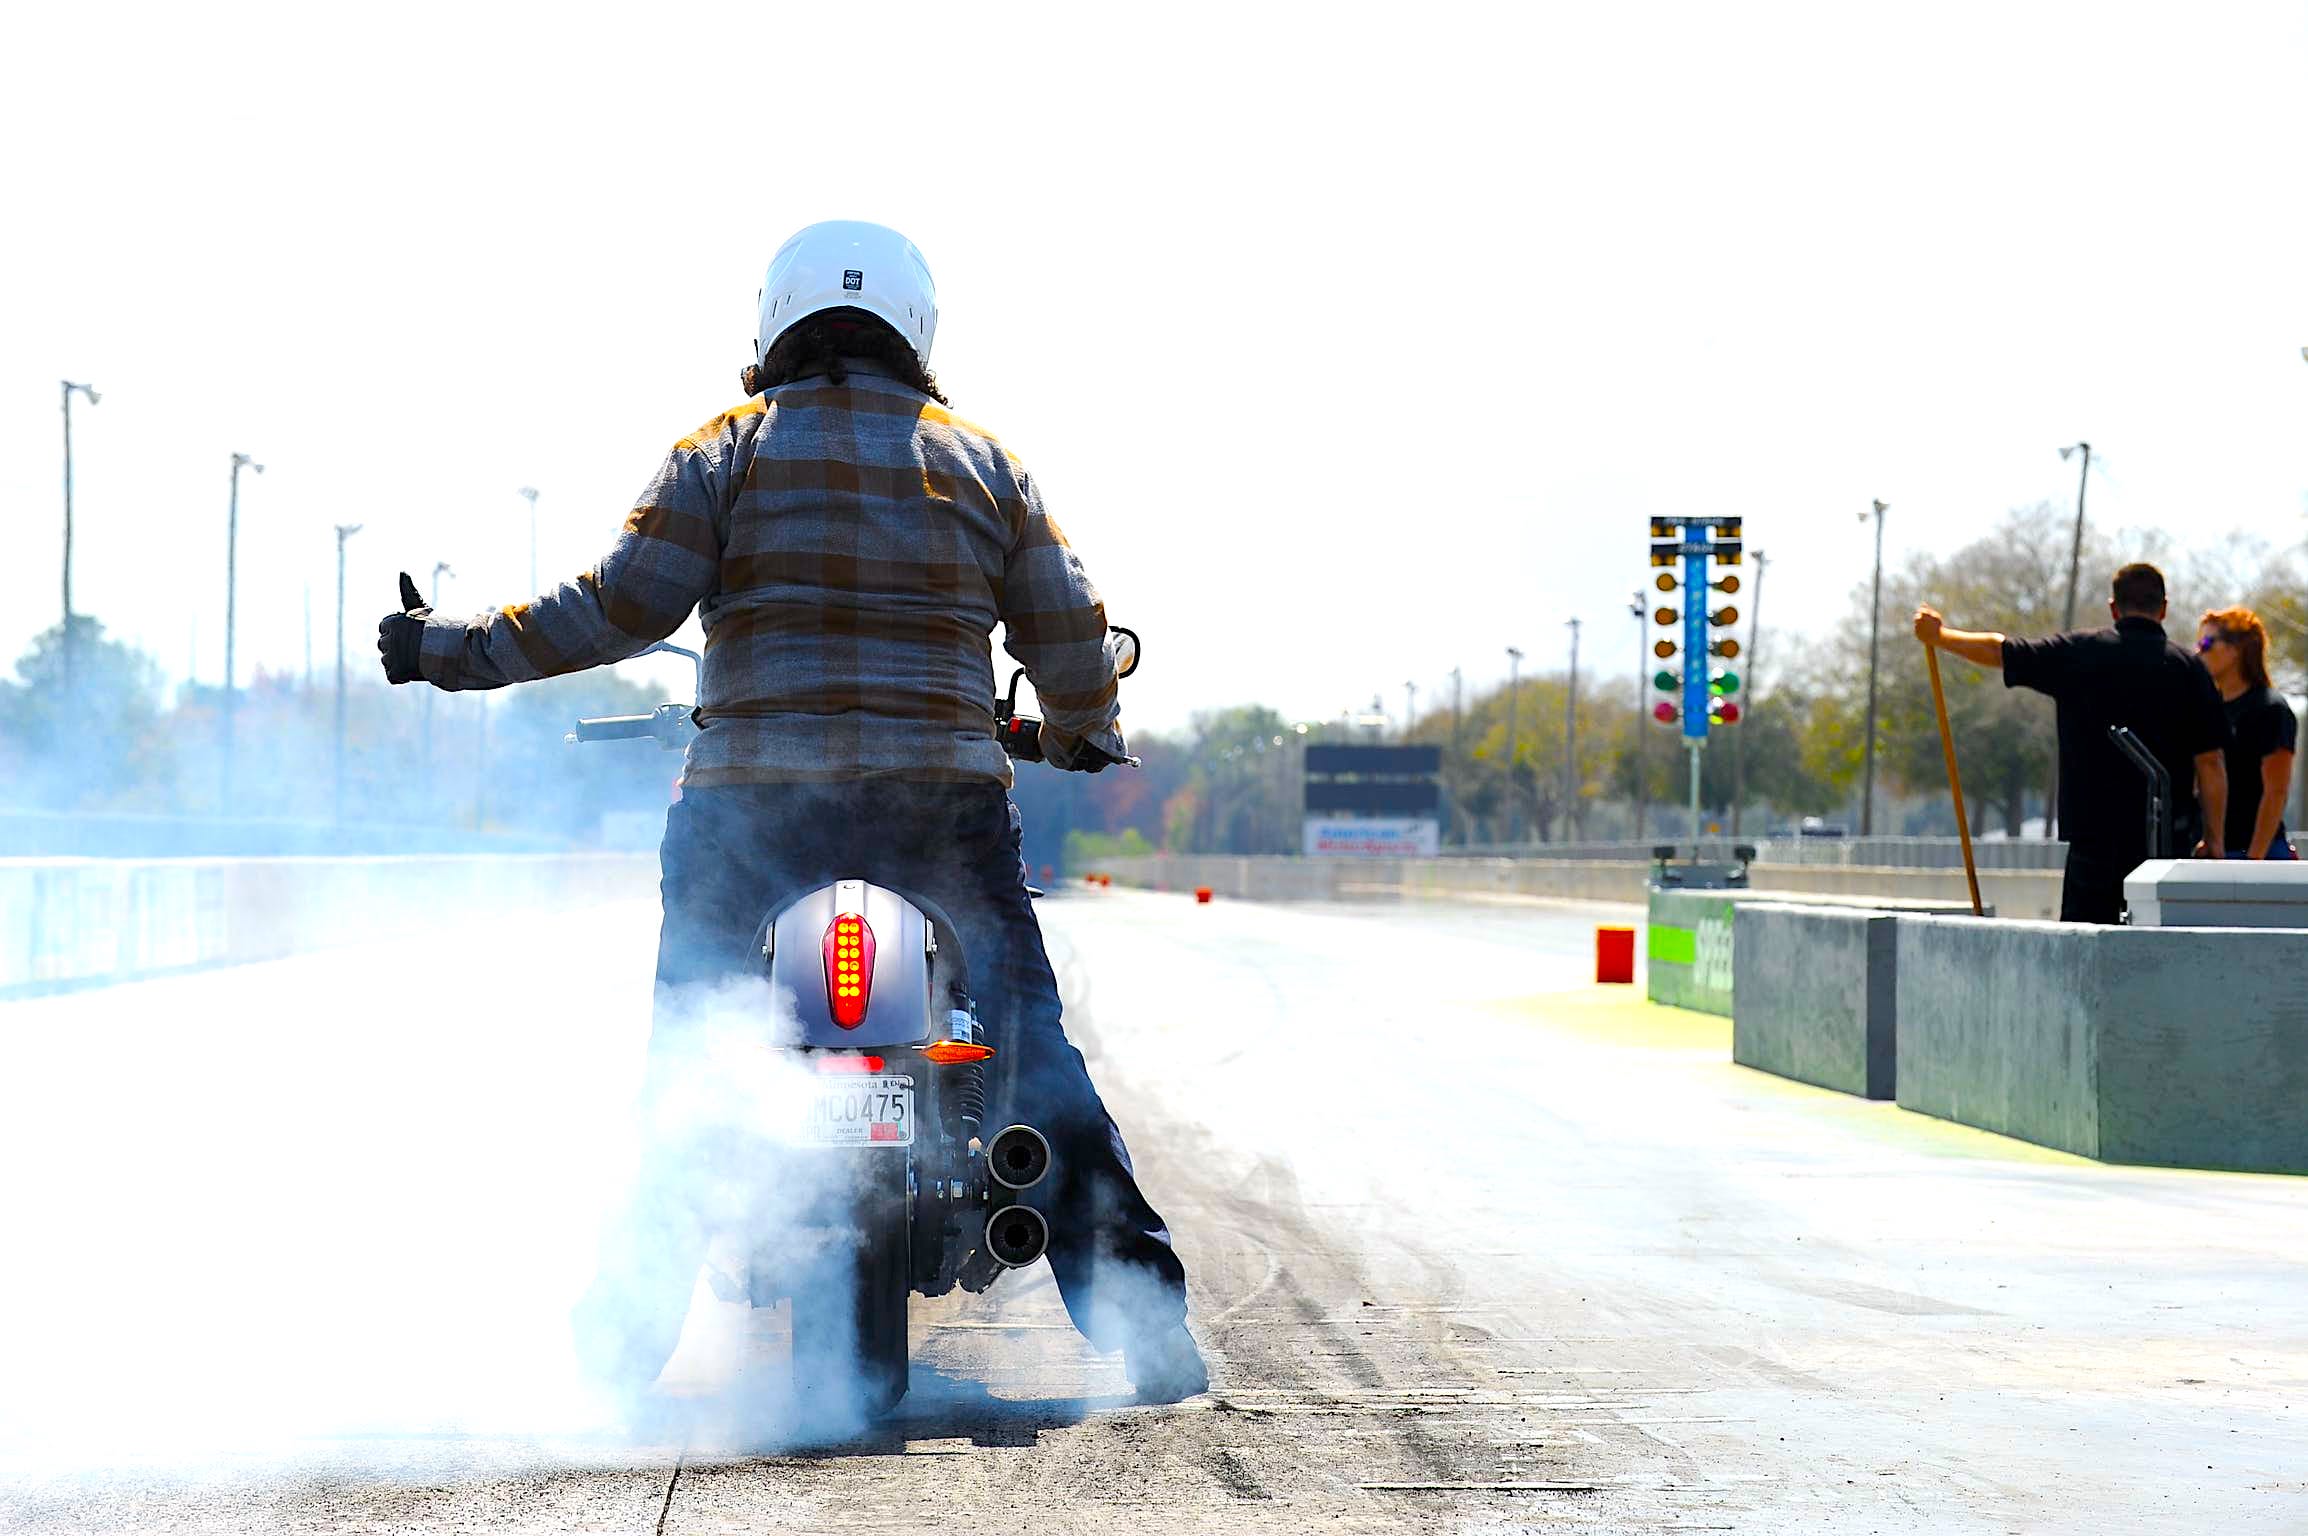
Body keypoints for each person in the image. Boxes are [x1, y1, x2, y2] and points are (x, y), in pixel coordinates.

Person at [375, 220, 1205, 1401]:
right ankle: (1148, 1330)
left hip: (751, 815)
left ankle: (619, 1350)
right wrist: (1081, 732)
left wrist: (444, 649)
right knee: (1032, 1056)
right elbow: (1071, 639)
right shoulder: (982, 464)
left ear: (776, 323)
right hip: (942, 814)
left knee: (685, 1069)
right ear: (914, 329)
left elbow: (614, 608)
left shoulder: (723, 452)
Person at [1914, 561, 2229, 923]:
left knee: (2087, 955)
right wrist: (2214, 838)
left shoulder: (2079, 652)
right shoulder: (2190, 670)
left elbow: (2003, 651)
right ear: (2164, 608)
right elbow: (2211, 762)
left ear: (2114, 607)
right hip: (2166, 846)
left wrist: (1942, 636)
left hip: (2094, 843)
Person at [2196, 606, 2297, 860]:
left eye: (2207, 642)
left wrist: (2253, 861)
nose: (2199, 650)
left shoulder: (2270, 709)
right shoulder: (2210, 706)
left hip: (2259, 856)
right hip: (2217, 852)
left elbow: (2276, 792)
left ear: (2235, 649)